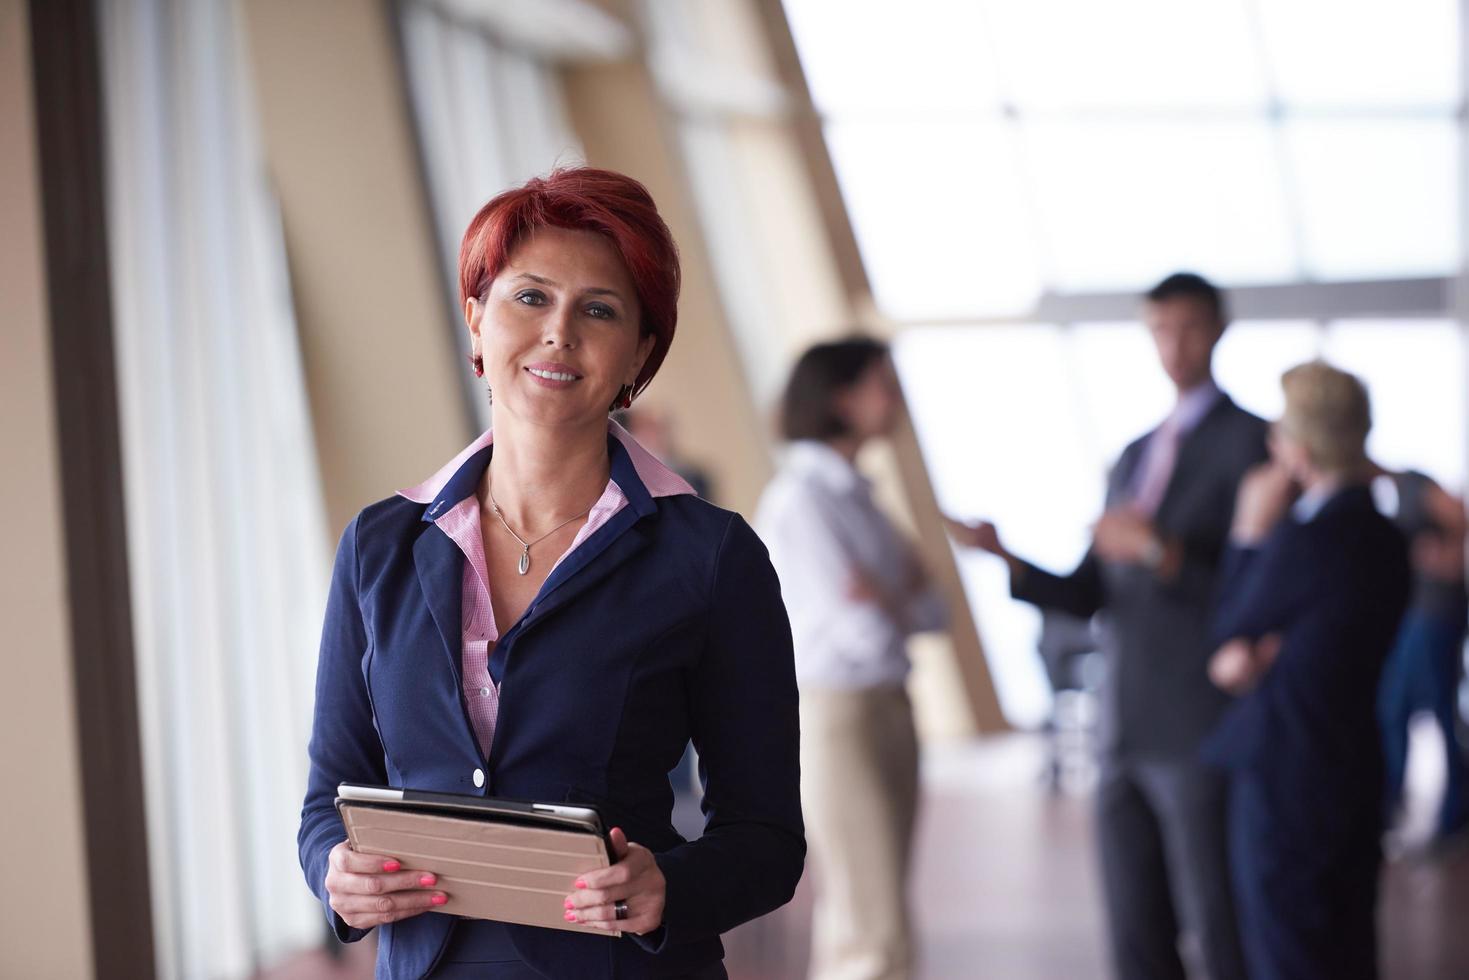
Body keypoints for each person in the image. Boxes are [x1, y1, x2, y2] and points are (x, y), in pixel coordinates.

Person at [296, 168, 805, 979]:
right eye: (529, 298)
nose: (558, 332)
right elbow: (330, 798)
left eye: (598, 310)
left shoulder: (710, 556)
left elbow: (768, 838)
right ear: (475, 321)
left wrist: (666, 886)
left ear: (639, 354)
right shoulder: (379, 544)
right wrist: (335, 871)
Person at [948, 273, 1262, 980]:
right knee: (1133, 928)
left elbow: (1250, 592)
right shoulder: (1134, 453)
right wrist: (1007, 559)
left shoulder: (1253, 444)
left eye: (1185, 328)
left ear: (1216, 330)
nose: (1172, 347)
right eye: (1158, 330)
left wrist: (1156, 551)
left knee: (1216, 922)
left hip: (1197, 720)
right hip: (1121, 721)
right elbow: (1092, 590)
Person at [1204, 361, 1411, 980]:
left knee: (1289, 953)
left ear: (1298, 451)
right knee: (1347, 949)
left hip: (1287, 778)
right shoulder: (1383, 536)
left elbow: (1226, 627)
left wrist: (1247, 530)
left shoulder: (1304, 541)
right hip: (1353, 768)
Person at [754, 338, 946, 980]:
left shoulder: (858, 495)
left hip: (887, 705)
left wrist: (889, 598)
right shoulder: (803, 499)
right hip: (839, 715)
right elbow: (865, 628)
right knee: (873, 922)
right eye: (882, 384)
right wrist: (899, 598)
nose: (895, 399)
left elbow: (934, 611)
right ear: (842, 397)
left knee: (865, 911)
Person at [1374, 467, 1469, 843]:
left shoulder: (1414, 483)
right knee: (1401, 709)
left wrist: (1443, 559)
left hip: (1434, 612)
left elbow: (1458, 519)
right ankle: (1397, 804)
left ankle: (1453, 812)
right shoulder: (1388, 497)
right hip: (1415, 612)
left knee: (1434, 711)